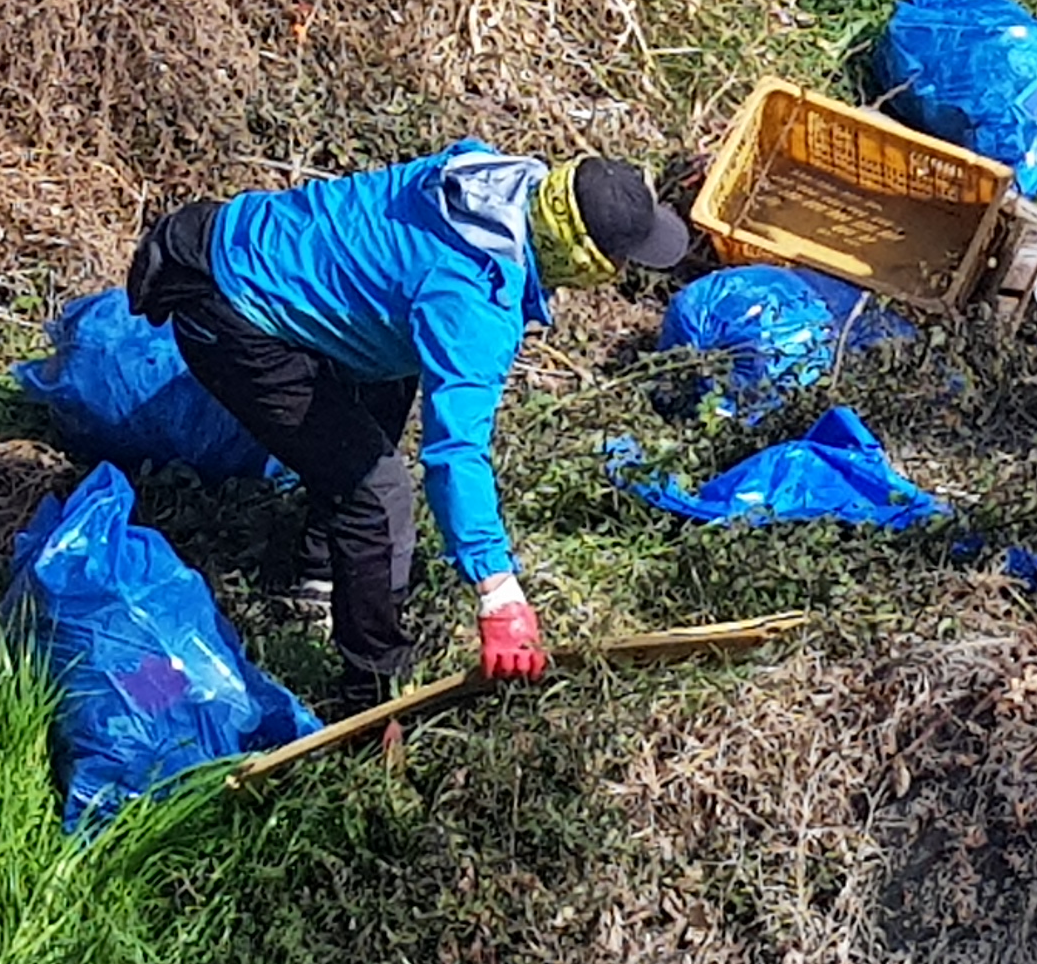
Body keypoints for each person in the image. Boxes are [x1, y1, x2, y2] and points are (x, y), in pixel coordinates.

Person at [124, 144, 690, 713]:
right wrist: (497, 590)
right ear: (584, 261)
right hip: (230, 313)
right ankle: (370, 695)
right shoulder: (475, 302)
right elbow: (454, 454)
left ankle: (320, 576)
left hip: (233, 242)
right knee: (377, 493)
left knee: (388, 382)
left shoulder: (489, 181)